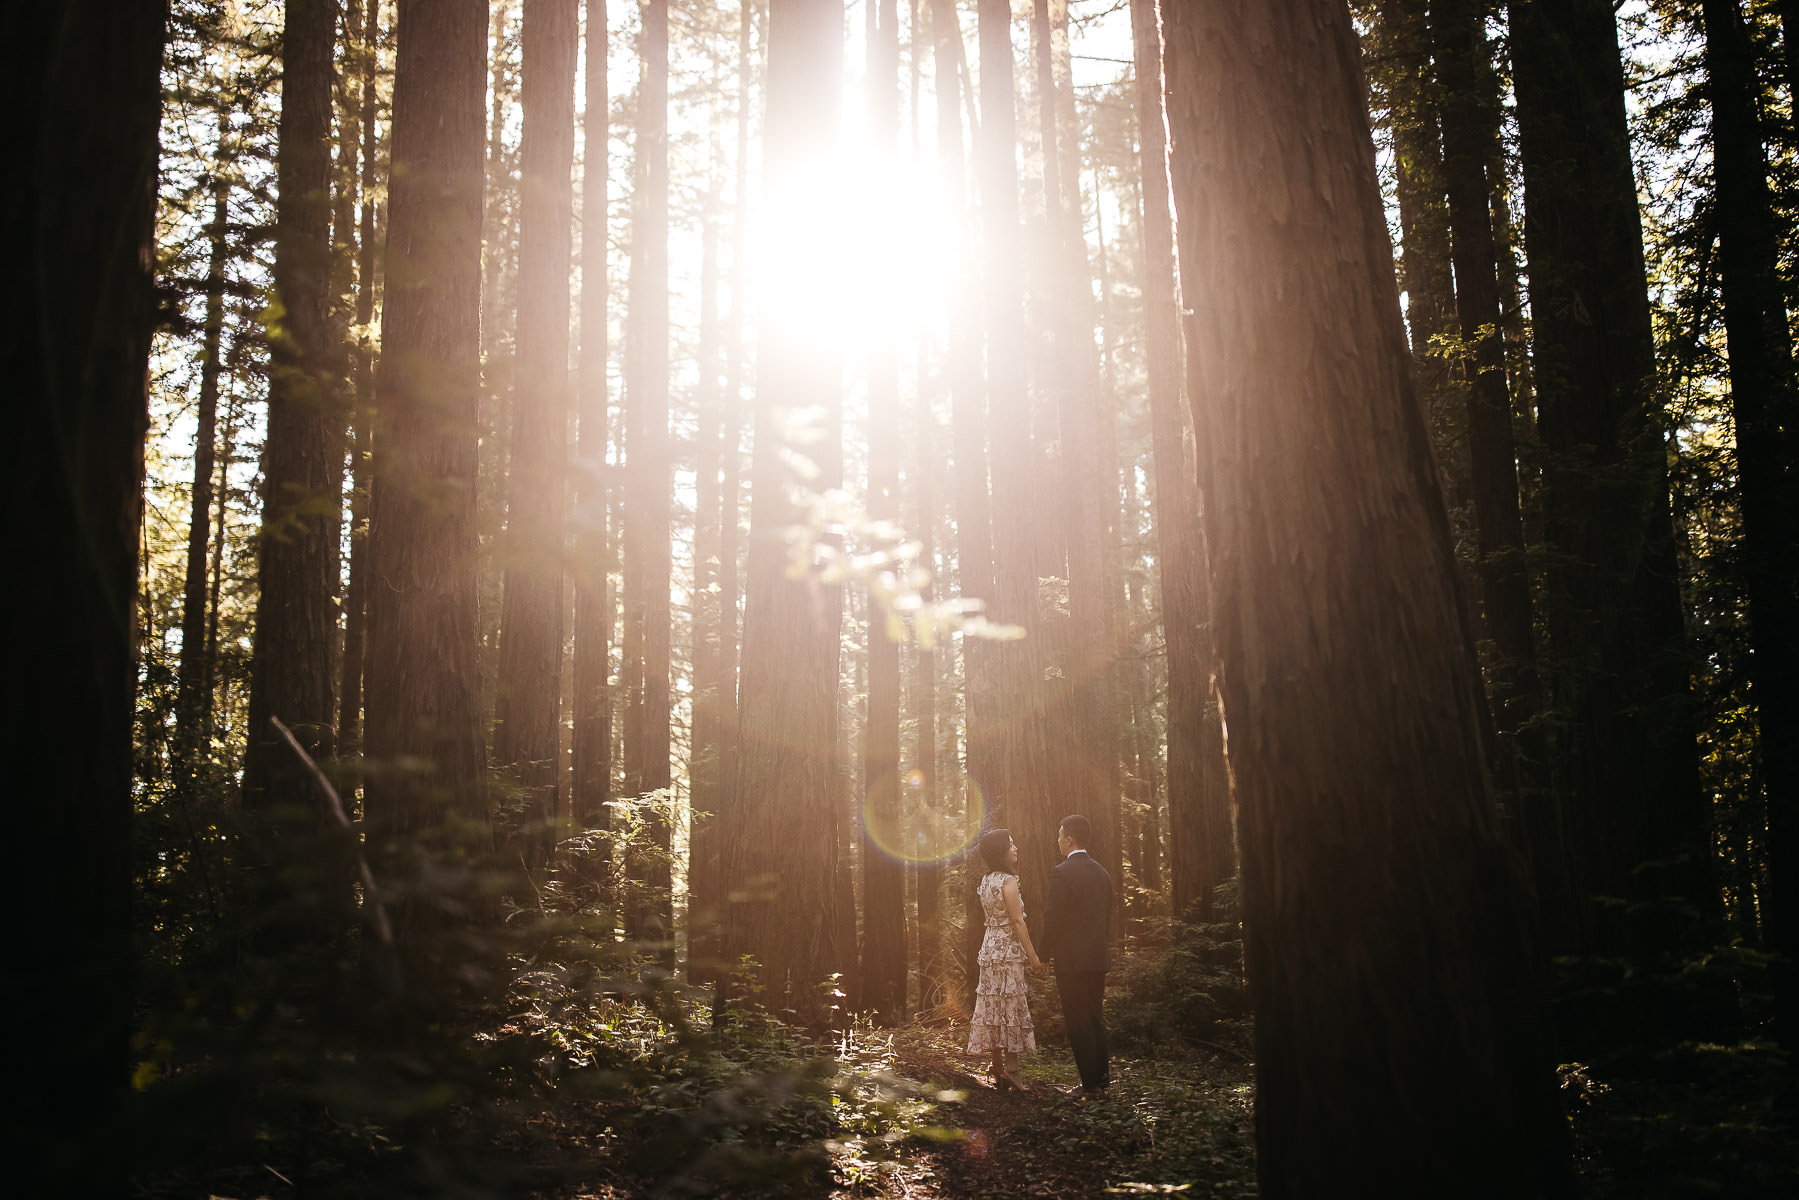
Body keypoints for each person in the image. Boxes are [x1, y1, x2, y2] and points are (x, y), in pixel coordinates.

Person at [1039, 813, 1111, 1097]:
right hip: (1097, 958)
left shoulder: (1062, 872)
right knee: (1095, 1017)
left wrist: (1043, 954)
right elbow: (1107, 917)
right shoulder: (1102, 872)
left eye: (1059, 836)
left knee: (1078, 1022)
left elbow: (1053, 918)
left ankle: (1090, 1086)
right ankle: (1101, 1081)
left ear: (1069, 839)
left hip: (1071, 961)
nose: (1057, 841)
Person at [966, 827, 1044, 1091]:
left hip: (989, 948)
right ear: (1001, 851)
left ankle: (996, 1066)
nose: (1015, 848)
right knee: (1009, 1004)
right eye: (1011, 844)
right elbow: (1017, 921)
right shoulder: (1008, 881)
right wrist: (1034, 958)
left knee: (993, 1003)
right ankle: (1012, 1070)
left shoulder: (986, 880)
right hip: (1007, 949)